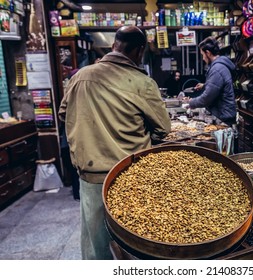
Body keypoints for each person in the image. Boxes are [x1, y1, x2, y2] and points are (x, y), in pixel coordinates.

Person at [58, 26, 171, 260]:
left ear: (113, 46)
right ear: (140, 51)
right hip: (131, 174)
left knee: (96, 243)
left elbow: (63, 114)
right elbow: (163, 129)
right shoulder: (142, 82)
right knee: (133, 242)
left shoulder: (80, 76)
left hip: (90, 175)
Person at [188, 36, 237, 127]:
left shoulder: (217, 69)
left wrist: (191, 102)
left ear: (208, 53)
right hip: (223, 115)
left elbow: (207, 98)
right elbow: (218, 85)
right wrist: (205, 85)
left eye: (202, 54)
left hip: (223, 118)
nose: (203, 58)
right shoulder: (219, 66)